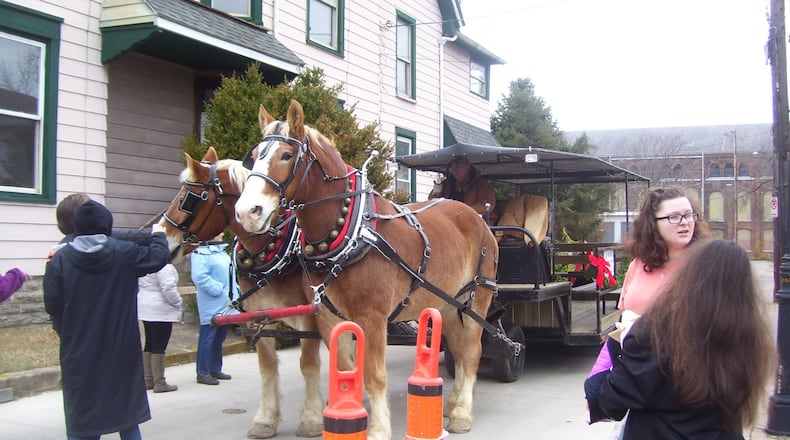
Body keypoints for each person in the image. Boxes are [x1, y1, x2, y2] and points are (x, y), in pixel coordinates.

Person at [589, 239, 775, 439]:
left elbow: (612, 401)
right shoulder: (748, 338)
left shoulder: (658, 332)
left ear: (691, 277)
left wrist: (618, 347)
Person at [44, 200, 169, 440]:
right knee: (128, 419)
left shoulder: (60, 261)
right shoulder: (123, 254)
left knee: (84, 422)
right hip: (120, 349)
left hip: (79, 352)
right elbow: (157, 257)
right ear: (107, 225)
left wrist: (68, 334)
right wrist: (158, 235)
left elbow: (53, 305)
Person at [585, 187, 709, 423]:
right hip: (638, 384)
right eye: (674, 217)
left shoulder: (705, 267)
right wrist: (596, 380)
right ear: (653, 223)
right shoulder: (638, 266)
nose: (684, 222)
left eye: (689, 215)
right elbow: (623, 329)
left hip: (684, 392)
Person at [191, 232, 235, 385]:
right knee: (208, 337)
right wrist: (219, 289)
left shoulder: (221, 252)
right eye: (218, 233)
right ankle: (202, 372)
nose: (222, 234)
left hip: (225, 302)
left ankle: (215, 368)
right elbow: (199, 277)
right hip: (211, 302)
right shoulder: (200, 254)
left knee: (219, 337)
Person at [138, 263, 182, 393]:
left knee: (149, 343)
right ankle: (160, 382)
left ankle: (148, 379)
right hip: (160, 309)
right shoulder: (164, 267)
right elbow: (168, 288)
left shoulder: (144, 264)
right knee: (159, 346)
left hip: (145, 306)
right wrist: (177, 302)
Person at [428, 156, 496, 219]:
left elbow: (486, 206)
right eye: (452, 168)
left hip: (472, 222)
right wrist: (437, 187)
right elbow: (431, 202)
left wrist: (462, 211)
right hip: (448, 221)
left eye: (457, 166)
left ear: (468, 167)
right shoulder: (447, 184)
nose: (454, 170)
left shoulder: (482, 184)